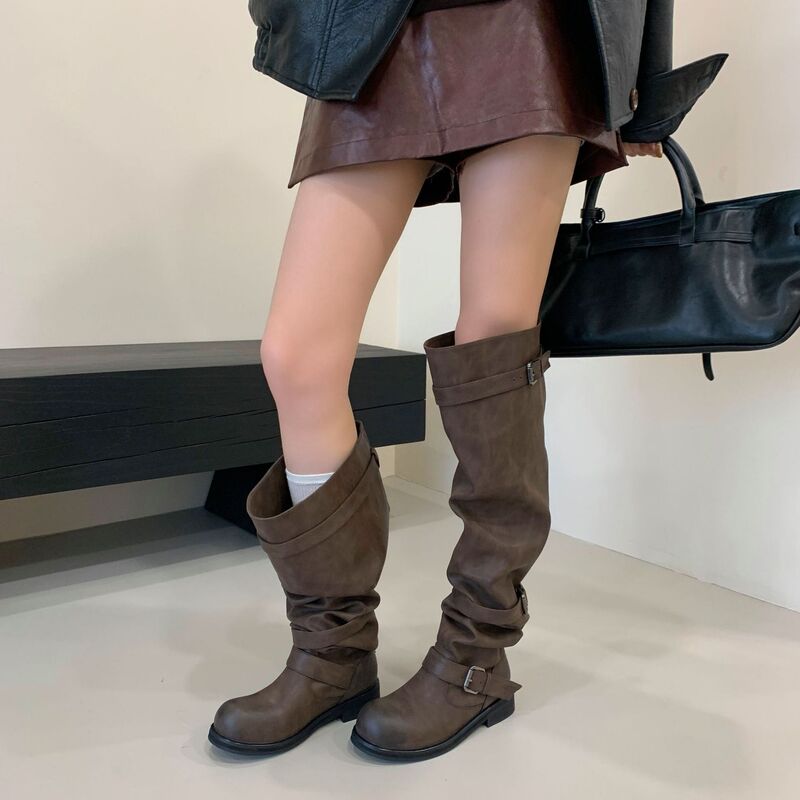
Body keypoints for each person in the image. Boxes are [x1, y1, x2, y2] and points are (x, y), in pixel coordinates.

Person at [207, 0, 710, 761]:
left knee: (492, 344)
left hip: (530, 27)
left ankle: (475, 658)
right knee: (297, 356)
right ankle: (332, 654)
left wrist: (649, 82)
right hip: (373, 33)